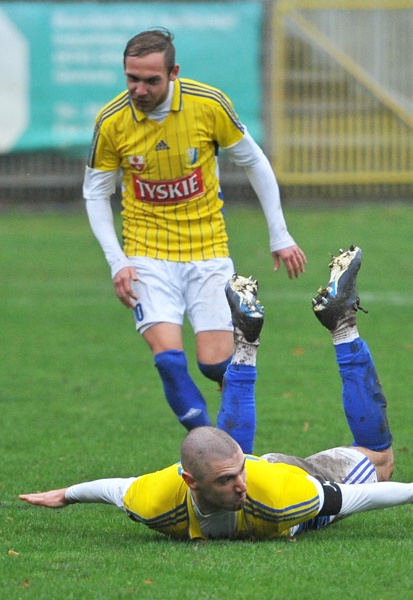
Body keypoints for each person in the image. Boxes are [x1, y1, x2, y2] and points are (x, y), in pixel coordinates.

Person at [20, 246, 413, 541]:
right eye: (227, 481)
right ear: (188, 482)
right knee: (238, 453)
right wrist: (66, 495)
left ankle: (313, 331)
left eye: (235, 477)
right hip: (251, 472)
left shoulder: (283, 495)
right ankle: (307, 330)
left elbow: (358, 499)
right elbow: (112, 489)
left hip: (290, 475)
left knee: (380, 461)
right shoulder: (155, 498)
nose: (238, 484)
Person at [83, 27, 307, 453]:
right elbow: (96, 192)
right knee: (169, 361)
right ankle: (217, 455)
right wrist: (117, 260)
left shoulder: (208, 104)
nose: (139, 89)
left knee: (215, 365)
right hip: (146, 253)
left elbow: (254, 162)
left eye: (151, 80)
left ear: (173, 73)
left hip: (208, 250)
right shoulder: (112, 120)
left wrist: (279, 233)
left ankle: (232, 443)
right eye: (131, 78)